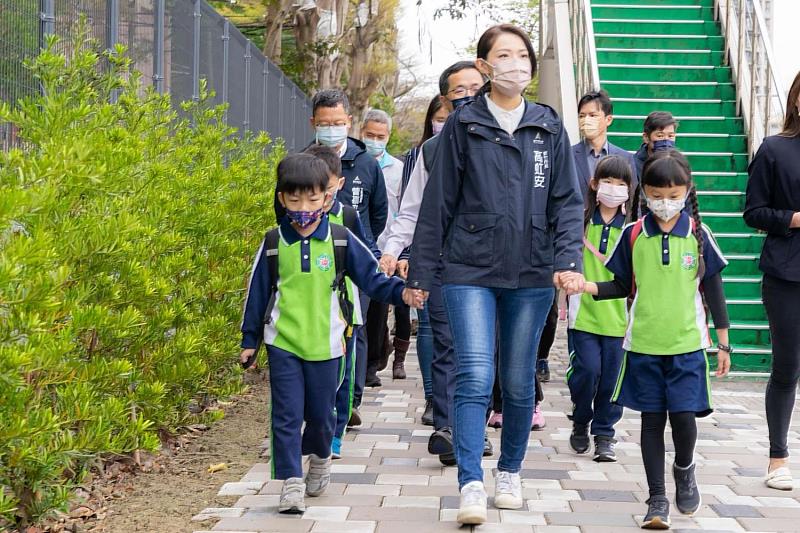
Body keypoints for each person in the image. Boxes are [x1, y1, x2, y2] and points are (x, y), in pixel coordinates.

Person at [408, 25, 584, 525]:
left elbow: (568, 202)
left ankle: (509, 470)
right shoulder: (463, 125)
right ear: (484, 66)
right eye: (503, 55)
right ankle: (470, 483)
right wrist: (422, 271)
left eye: (523, 55)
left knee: (517, 376)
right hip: (469, 269)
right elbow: (437, 205)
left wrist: (567, 261)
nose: (516, 63)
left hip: (531, 272)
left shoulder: (548, 126)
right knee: (475, 373)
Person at [240, 153, 422, 515]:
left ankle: (321, 457)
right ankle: (291, 481)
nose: (303, 207)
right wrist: (249, 341)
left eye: (311, 198)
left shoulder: (341, 240)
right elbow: (256, 293)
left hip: (328, 343)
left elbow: (372, 277)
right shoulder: (274, 242)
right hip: (284, 343)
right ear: (282, 199)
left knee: (322, 415)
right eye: (294, 199)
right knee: (287, 415)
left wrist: (401, 293)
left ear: (327, 196)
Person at [562, 150, 731, 529]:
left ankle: (684, 468)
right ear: (646, 192)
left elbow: (714, 290)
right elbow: (621, 284)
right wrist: (586, 285)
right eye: (657, 194)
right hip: (642, 348)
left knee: (684, 419)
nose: (665, 202)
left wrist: (723, 342)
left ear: (688, 191)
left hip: (688, 347)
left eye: (673, 195)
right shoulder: (633, 234)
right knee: (652, 422)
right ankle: (657, 499)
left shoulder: (699, 235)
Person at [379, 60, 487, 464]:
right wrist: (393, 249)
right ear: (446, 99)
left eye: (477, 87)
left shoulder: (508, 142)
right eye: (460, 91)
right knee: (445, 344)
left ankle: (472, 426)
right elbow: (411, 210)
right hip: (443, 262)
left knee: (479, 348)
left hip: (489, 265)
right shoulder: (431, 150)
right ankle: (448, 426)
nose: (469, 96)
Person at [286, 89, 388, 425]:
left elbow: (378, 214)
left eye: (338, 123)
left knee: (353, 329)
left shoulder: (366, 163)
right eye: (325, 123)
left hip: (355, 260)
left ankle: (350, 401)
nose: (331, 129)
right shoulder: (299, 163)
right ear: (314, 122)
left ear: (348, 122)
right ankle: (319, 400)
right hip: (311, 263)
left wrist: (362, 250)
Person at [743, 70, 800, 491]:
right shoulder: (775, 149)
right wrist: (794, 219)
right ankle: (777, 457)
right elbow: (754, 211)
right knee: (787, 368)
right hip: (787, 274)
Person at [301, 144, 371, 460]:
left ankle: (335, 433)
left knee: (341, 377)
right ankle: (312, 426)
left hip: (343, 314)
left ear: (338, 185)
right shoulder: (294, 219)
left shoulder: (349, 216)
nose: (318, 197)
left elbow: (365, 258)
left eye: (325, 189)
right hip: (305, 313)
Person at [565, 155, 633, 462]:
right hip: (583, 314)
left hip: (621, 318)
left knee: (611, 380)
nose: (614, 189)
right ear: (594, 184)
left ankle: (605, 434)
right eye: (608, 181)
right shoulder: (580, 221)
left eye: (621, 184)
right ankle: (581, 417)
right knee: (587, 371)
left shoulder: (633, 230)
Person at [361, 109, 409, 385]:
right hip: (359, 245)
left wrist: (399, 250)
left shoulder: (399, 170)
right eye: (370, 135)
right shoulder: (355, 164)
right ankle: (370, 357)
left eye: (380, 136)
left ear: (388, 136)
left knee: (379, 309)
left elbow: (404, 211)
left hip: (387, 248)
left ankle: (373, 363)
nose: (375, 141)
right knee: (361, 310)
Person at [573, 90, 638, 202]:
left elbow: (633, 201)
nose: (586, 120)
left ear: (608, 120)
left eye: (593, 115)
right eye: (582, 116)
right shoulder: (567, 156)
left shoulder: (626, 158)